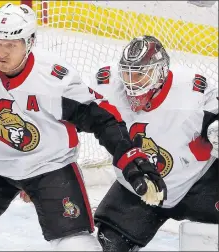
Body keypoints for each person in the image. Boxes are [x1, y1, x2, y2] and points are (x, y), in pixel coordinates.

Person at [0, 4, 166, 251]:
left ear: (29, 43)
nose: (1, 53)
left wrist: (131, 158)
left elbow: (103, 118)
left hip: (49, 167)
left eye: (11, 44)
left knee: (76, 246)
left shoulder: (55, 79)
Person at [88, 35, 218, 251]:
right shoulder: (107, 87)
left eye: (141, 74)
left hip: (198, 185)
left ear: (160, 73)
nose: (132, 82)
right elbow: (69, 120)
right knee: (109, 246)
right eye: (127, 73)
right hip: (137, 187)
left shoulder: (193, 90)